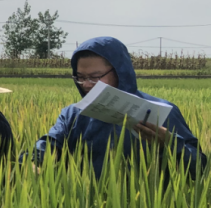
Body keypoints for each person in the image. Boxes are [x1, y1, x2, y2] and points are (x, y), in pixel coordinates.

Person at [31, 36, 204, 177]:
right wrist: (37, 160)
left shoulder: (161, 112)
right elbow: (50, 143)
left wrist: (172, 144)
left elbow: (200, 169)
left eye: (95, 77)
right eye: (80, 77)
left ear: (120, 72)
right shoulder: (73, 114)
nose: (86, 84)